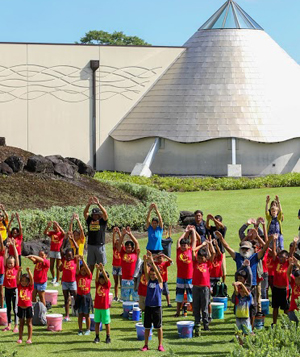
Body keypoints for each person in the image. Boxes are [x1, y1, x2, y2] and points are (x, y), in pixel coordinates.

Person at [215, 231, 272, 326]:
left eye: (247, 249)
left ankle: (251, 329)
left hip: (251, 286)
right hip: (239, 287)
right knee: (239, 308)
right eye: (243, 248)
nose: (245, 250)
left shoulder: (255, 257)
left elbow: (264, 249)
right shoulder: (237, 256)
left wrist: (269, 241)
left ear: (251, 249)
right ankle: (240, 328)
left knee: (252, 309)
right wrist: (221, 239)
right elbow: (228, 248)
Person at [141, 251, 165, 352]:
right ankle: (146, 345)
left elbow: (158, 274)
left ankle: (160, 345)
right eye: (151, 274)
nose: (152, 276)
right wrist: (146, 261)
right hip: (148, 306)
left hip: (157, 307)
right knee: (147, 327)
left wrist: (152, 263)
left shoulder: (159, 282)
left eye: (153, 274)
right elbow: (146, 272)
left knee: (158, 327)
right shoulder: (149, 280)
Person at [192, 239, 215, 335]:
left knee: (204, 307)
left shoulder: (208, 264)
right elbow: (193, 251)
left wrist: (209, 244)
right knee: (196, 307)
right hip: (196, 287)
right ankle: (197, 323)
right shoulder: (195, 263)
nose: (200, 259)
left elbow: (213, 253)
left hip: (205, 288)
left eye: (202, 258)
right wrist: (202, 245)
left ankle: (206, 325)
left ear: (206, 258)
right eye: (199, 257)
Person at [175, 227, 196, 317]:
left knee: (190, 296)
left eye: (185, 245)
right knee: (179, 295)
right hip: (180, 277)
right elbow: (178, 240)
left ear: (188, 246)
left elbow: (194, 241)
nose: (183, 247)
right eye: (182, 245)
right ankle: (178, 312)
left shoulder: (191, 251)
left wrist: (193, 232)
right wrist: (185, 232)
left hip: (189, 277)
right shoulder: (178, 250)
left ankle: (194, 311)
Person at [84, 196, 108, 273]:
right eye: (94, 214)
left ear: (99, 215)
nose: (95, 216)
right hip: (91, 245)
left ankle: (102, 278)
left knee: (101, 265)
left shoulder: (102, 221)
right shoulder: (90, 220)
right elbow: (85, 213)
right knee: (91, 265)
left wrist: (98, 204)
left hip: (100, 245)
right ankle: (89, 280)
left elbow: (105, 213)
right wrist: (88, 204)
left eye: (96, 214)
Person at [117, 227, 140, 302]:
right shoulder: (123, 253)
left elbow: (136, 243)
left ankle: (136, 312)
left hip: (134, 279)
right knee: (125, 299)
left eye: (129, 247)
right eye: (126, 247)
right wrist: (123, 235)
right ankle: (125, 312)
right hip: (124, 279)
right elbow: (119, 244)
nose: (127, 249)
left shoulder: (135, 253)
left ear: (132, 248)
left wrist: (130, 234)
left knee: (135, 298)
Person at [59, 233, 78, 322]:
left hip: (72, 282)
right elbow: (60, 249)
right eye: (67, 256)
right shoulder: (64, 260)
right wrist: (64, 239)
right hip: (65, 282)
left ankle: (79, 313)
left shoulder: (74, 260)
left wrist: (72, 239)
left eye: (70, 256)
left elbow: (77, 248)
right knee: (66, 299)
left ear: (73, 256)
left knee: (76, 296)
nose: (68, 257)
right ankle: (67, 316)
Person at [271, 237, 290, 325]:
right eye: (280, 256)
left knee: (285, 308)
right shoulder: (276, 262)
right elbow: (274, 253)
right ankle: (274, 323)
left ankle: (286, 324)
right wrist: (274, 241)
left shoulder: (288, 264)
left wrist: (293, 244)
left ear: (286, 258)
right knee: (275, 307)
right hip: (275, 288)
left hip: (284, 289)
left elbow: (292, 254)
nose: (280, 258)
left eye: (283, 256)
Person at [3, 238, 19, 332]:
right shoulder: (5, 267)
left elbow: (16, 257)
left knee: (15, 308)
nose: (9, 264)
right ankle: (9, 324)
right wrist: (7, 247)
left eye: (11, 263)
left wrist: (13, 246)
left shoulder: (16, 268)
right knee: (8, 308)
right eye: (8, 263)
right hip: (7, 289)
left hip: (14, 289)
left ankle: (16, 325)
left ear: (14, 264)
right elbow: (5, 257)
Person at [93, 263, 111, 344]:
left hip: (105, 307)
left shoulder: (107, 285)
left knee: (106, 323)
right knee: (97, 322)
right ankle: (97, 336)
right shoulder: (98, 284)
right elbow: (96, 278)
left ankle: (108, 337)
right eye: (101, 278)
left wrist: (102, 269)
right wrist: (97, 270)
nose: (102, 280)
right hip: (97, 307)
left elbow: (107, 279)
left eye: (103, 278)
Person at [75, 255, 93, 335]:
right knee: (80, 314)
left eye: (84, 270)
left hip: (87, 297)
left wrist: (83, 260)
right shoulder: (78, 276)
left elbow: (88, 270)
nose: (83, 271)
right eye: (82, 270)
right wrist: (78, 261)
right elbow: (77, 270)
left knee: (86, 314)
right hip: (79, 296)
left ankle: (88, 329)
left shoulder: (88, 276)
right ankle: (80, 330)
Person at [44, 221, 65, 286]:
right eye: (54, 228)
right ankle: (54, 278)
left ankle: (58, 281)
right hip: (52, 250)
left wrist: (58, 225)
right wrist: (48, 226)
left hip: (58, 251)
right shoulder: (52, 233)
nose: (55, 229)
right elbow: (45, 233)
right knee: (51, 266)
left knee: (58, 267)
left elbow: (64, 233)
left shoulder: (60, 234)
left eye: (56, 228)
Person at [206, 214, 227, 282]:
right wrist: (208, 219)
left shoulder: (223, 229)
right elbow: (207, 226)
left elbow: (222, 226)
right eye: (215, 222)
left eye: (217, 221)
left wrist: (214, 219)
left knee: (223, 269)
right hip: (212, 251)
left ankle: (223, 283)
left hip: (221, 251)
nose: (215, 223)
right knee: (212, 267)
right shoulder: (213, 228)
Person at [16, 266, 34, 344]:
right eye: (22, 280)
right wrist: (19, 271)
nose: (23, 282)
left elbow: (32, 280)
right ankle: (20, 338)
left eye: (25, 281)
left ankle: (29, 338)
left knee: (29, 323)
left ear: (28, 282)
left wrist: (29, 271)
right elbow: (17, 279)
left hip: (28, 307)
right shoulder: (19, 286)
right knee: (21, 323)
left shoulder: (30, 287)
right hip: (20, 307)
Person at [287, 256, 300, 325]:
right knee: (291, 329)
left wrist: (297, 264)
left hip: (299, 311)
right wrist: (290, 265)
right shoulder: (293, 283)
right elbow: (288, 273)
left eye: (298, 278)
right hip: (292, 310)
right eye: (296, 278)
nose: (296, 280)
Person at [112, 227, 122, 302]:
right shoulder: (114, 248)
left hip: (121, 267)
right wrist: (114, 233)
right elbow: (113, 240)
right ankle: (116, 296)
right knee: (116, 282)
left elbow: (122, 240)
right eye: (116, 243)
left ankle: (122, 296)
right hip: (114, 267)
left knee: (121, 282)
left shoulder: (122, 249)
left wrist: (119, 233)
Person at [0, 232, 5, 308]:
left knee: (1, 292)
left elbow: (1, 244)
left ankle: (2, 307)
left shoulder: (1, 253)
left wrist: (0, 235)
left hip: (0, 274)